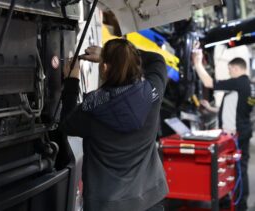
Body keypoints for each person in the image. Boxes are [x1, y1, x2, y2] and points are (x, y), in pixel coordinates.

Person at [60, 38, 168, 211]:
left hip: (106, 205)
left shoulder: (92, 110)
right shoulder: (153, 94)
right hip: (149, 199)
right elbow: (157, 60)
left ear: (104, 67)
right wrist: (115, 55)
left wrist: (72, 82)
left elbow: (66, 123)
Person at [192, 49, 253, 211]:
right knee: (234, 167)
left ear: (236, 68)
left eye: (230, 70)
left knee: (240, 169)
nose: (229, 73)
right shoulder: (247, 86)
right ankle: (232, 200)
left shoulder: (240, 81)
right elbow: (233, 109)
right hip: (240, 132)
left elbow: (209, 83)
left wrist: (197, 63)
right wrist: (211, 108)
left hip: (237, 135)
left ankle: (240, 205)